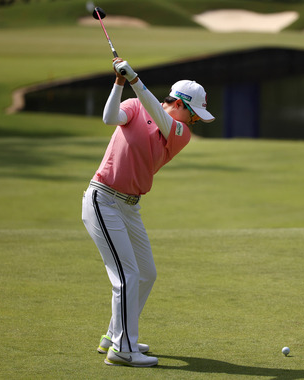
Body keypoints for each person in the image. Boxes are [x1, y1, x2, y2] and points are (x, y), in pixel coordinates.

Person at [81, 58, 214, 367]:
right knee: (127, 275)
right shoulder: (136, 107)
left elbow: (157, 113)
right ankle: (123, 350)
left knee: (146, 273)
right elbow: (109, 117)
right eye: (195, 114)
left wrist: (136, 80)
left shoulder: (179, 132)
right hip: (103, 199)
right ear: (181, 104)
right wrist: (119, 83)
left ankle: (115, 334)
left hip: (130, 206)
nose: (195, 121)